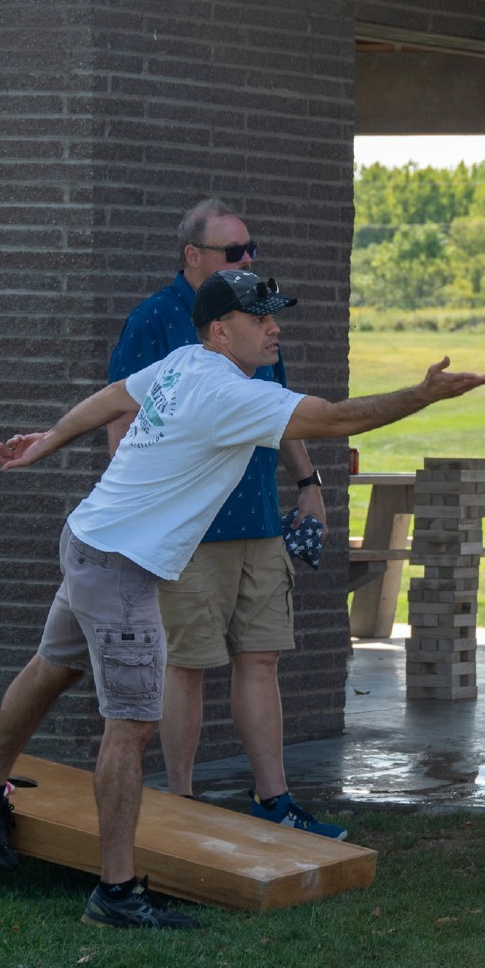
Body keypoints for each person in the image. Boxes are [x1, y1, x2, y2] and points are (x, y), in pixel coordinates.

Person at [0, 269, 485, 929]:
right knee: (132, 726)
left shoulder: (183, 364)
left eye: (273, 315)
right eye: (260, 318)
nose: (274, 326)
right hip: (121, 567)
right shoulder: (229, 392)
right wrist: (422, 395)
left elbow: (115, 396)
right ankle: (115, 894)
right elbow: (338, 419)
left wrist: (49, 439)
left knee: (52, 669)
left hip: (88, 539)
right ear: (221, 330)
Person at [107, 199, 336, 836]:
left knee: (261, 658)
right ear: (194, 256)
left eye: (250, 248)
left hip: (259, 518)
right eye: (235, 253)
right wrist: (138, 511)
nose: (248, 260)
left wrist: (308, 483)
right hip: (189, 531)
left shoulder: (256, 315)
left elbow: (280, 408)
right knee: (186, 662)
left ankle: (275, 801)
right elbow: (122, 418)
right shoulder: (154, 320)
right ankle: (180, 800)